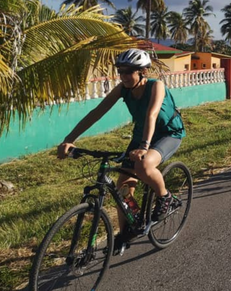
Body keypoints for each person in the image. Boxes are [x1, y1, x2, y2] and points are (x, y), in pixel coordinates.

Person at [56, 48, 186, 255]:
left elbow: (152, 114)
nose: (124, 75)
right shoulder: (123, 89)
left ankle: (166, 197)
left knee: (144, 165)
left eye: (129, 71)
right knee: (123, 187)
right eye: (121, 71)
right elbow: (96, 113)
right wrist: (69, 140)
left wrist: (144, 147)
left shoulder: (156, 86)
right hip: (140, 135)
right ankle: (127, 232)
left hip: (167, 134)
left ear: (142, 72)